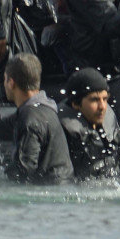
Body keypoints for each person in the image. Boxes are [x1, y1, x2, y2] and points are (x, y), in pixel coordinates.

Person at [5, 53, 71, 184]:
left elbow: (24, 170)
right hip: (62, 184)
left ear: (11, 83)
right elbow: (0, 124)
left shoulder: (31, 118)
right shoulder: (45, 108)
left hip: (49, 193)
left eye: (4, 79)